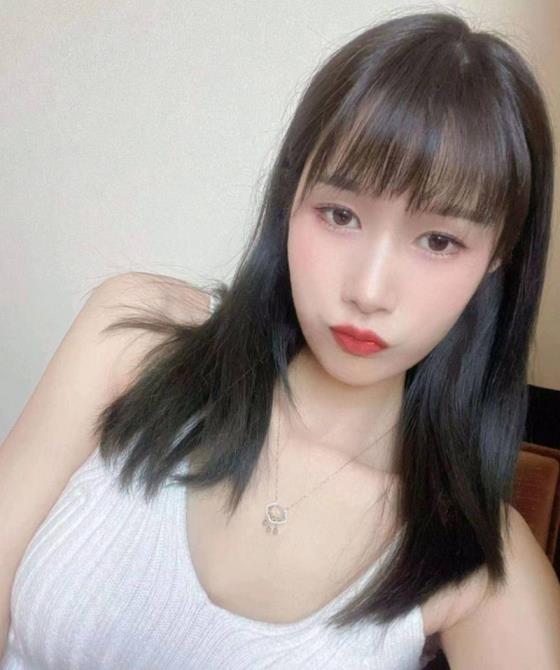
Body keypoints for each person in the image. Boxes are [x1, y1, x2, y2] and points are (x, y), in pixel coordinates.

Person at [1, 9, 559, 670]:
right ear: (291, 198)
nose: (369, 290)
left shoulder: (477, 564)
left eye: (438, 241)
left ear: (497, 257)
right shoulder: (133, 335)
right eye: (340, 214)